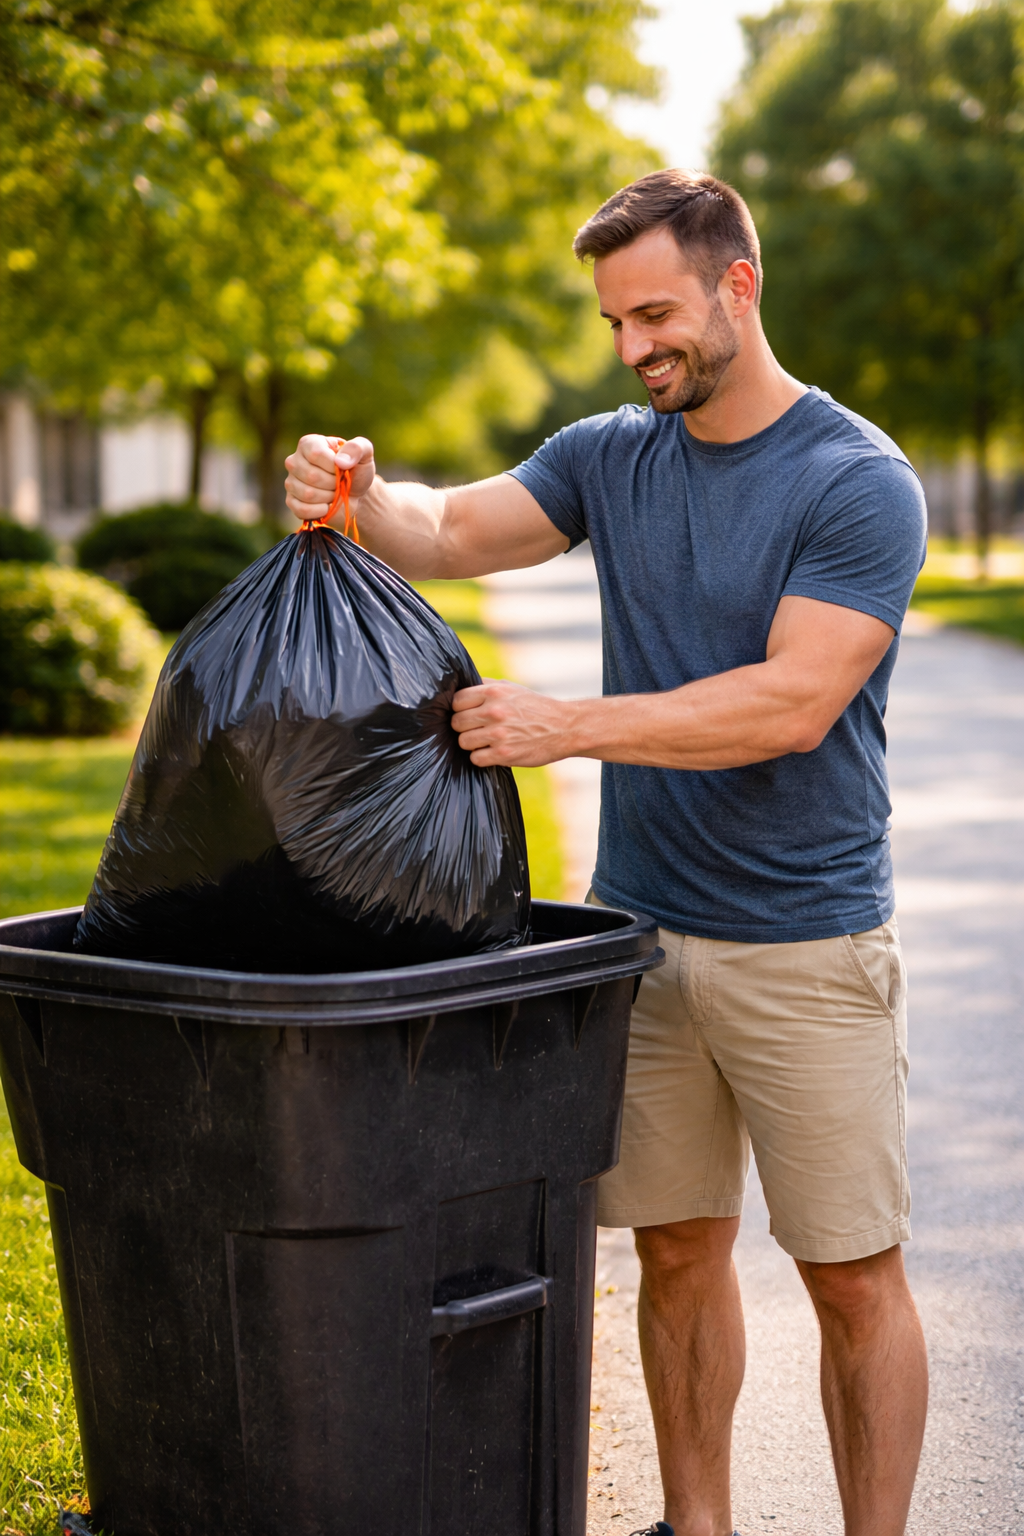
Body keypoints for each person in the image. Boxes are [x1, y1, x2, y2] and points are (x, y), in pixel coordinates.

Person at [284, 168, 929, 1536]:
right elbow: (452, 530)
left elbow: (790, 702)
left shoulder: (857, 479)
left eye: (656, 315)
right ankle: (697, 1527)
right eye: (616, 325)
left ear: (737, 285)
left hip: (807, 945)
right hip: (643, 938)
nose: (636, 349)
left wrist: (567, 723)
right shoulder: (609, 455)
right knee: (678, 1252)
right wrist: (358, 492)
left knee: (851, 1275)